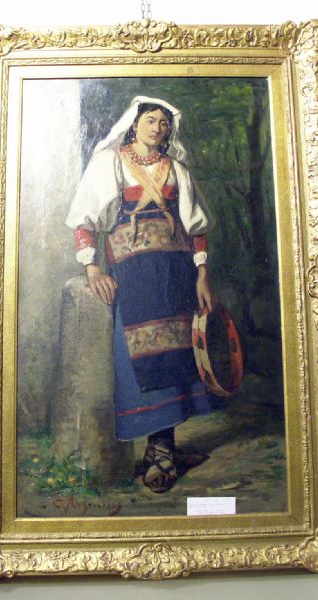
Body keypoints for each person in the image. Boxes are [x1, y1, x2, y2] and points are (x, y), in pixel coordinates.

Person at [66, 95, 218, 493]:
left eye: (163, 123)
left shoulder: (176, 169)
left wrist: (202, 275)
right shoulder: (110, 163)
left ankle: (164, 448)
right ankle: (156, 449)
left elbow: (196, 226)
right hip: (133, 274)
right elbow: (84, 221)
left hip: (176, 273)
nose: (157, 128)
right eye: (151, 120)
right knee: (140, 355)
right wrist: (92, 267)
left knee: (176, 355)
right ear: (135, 124)